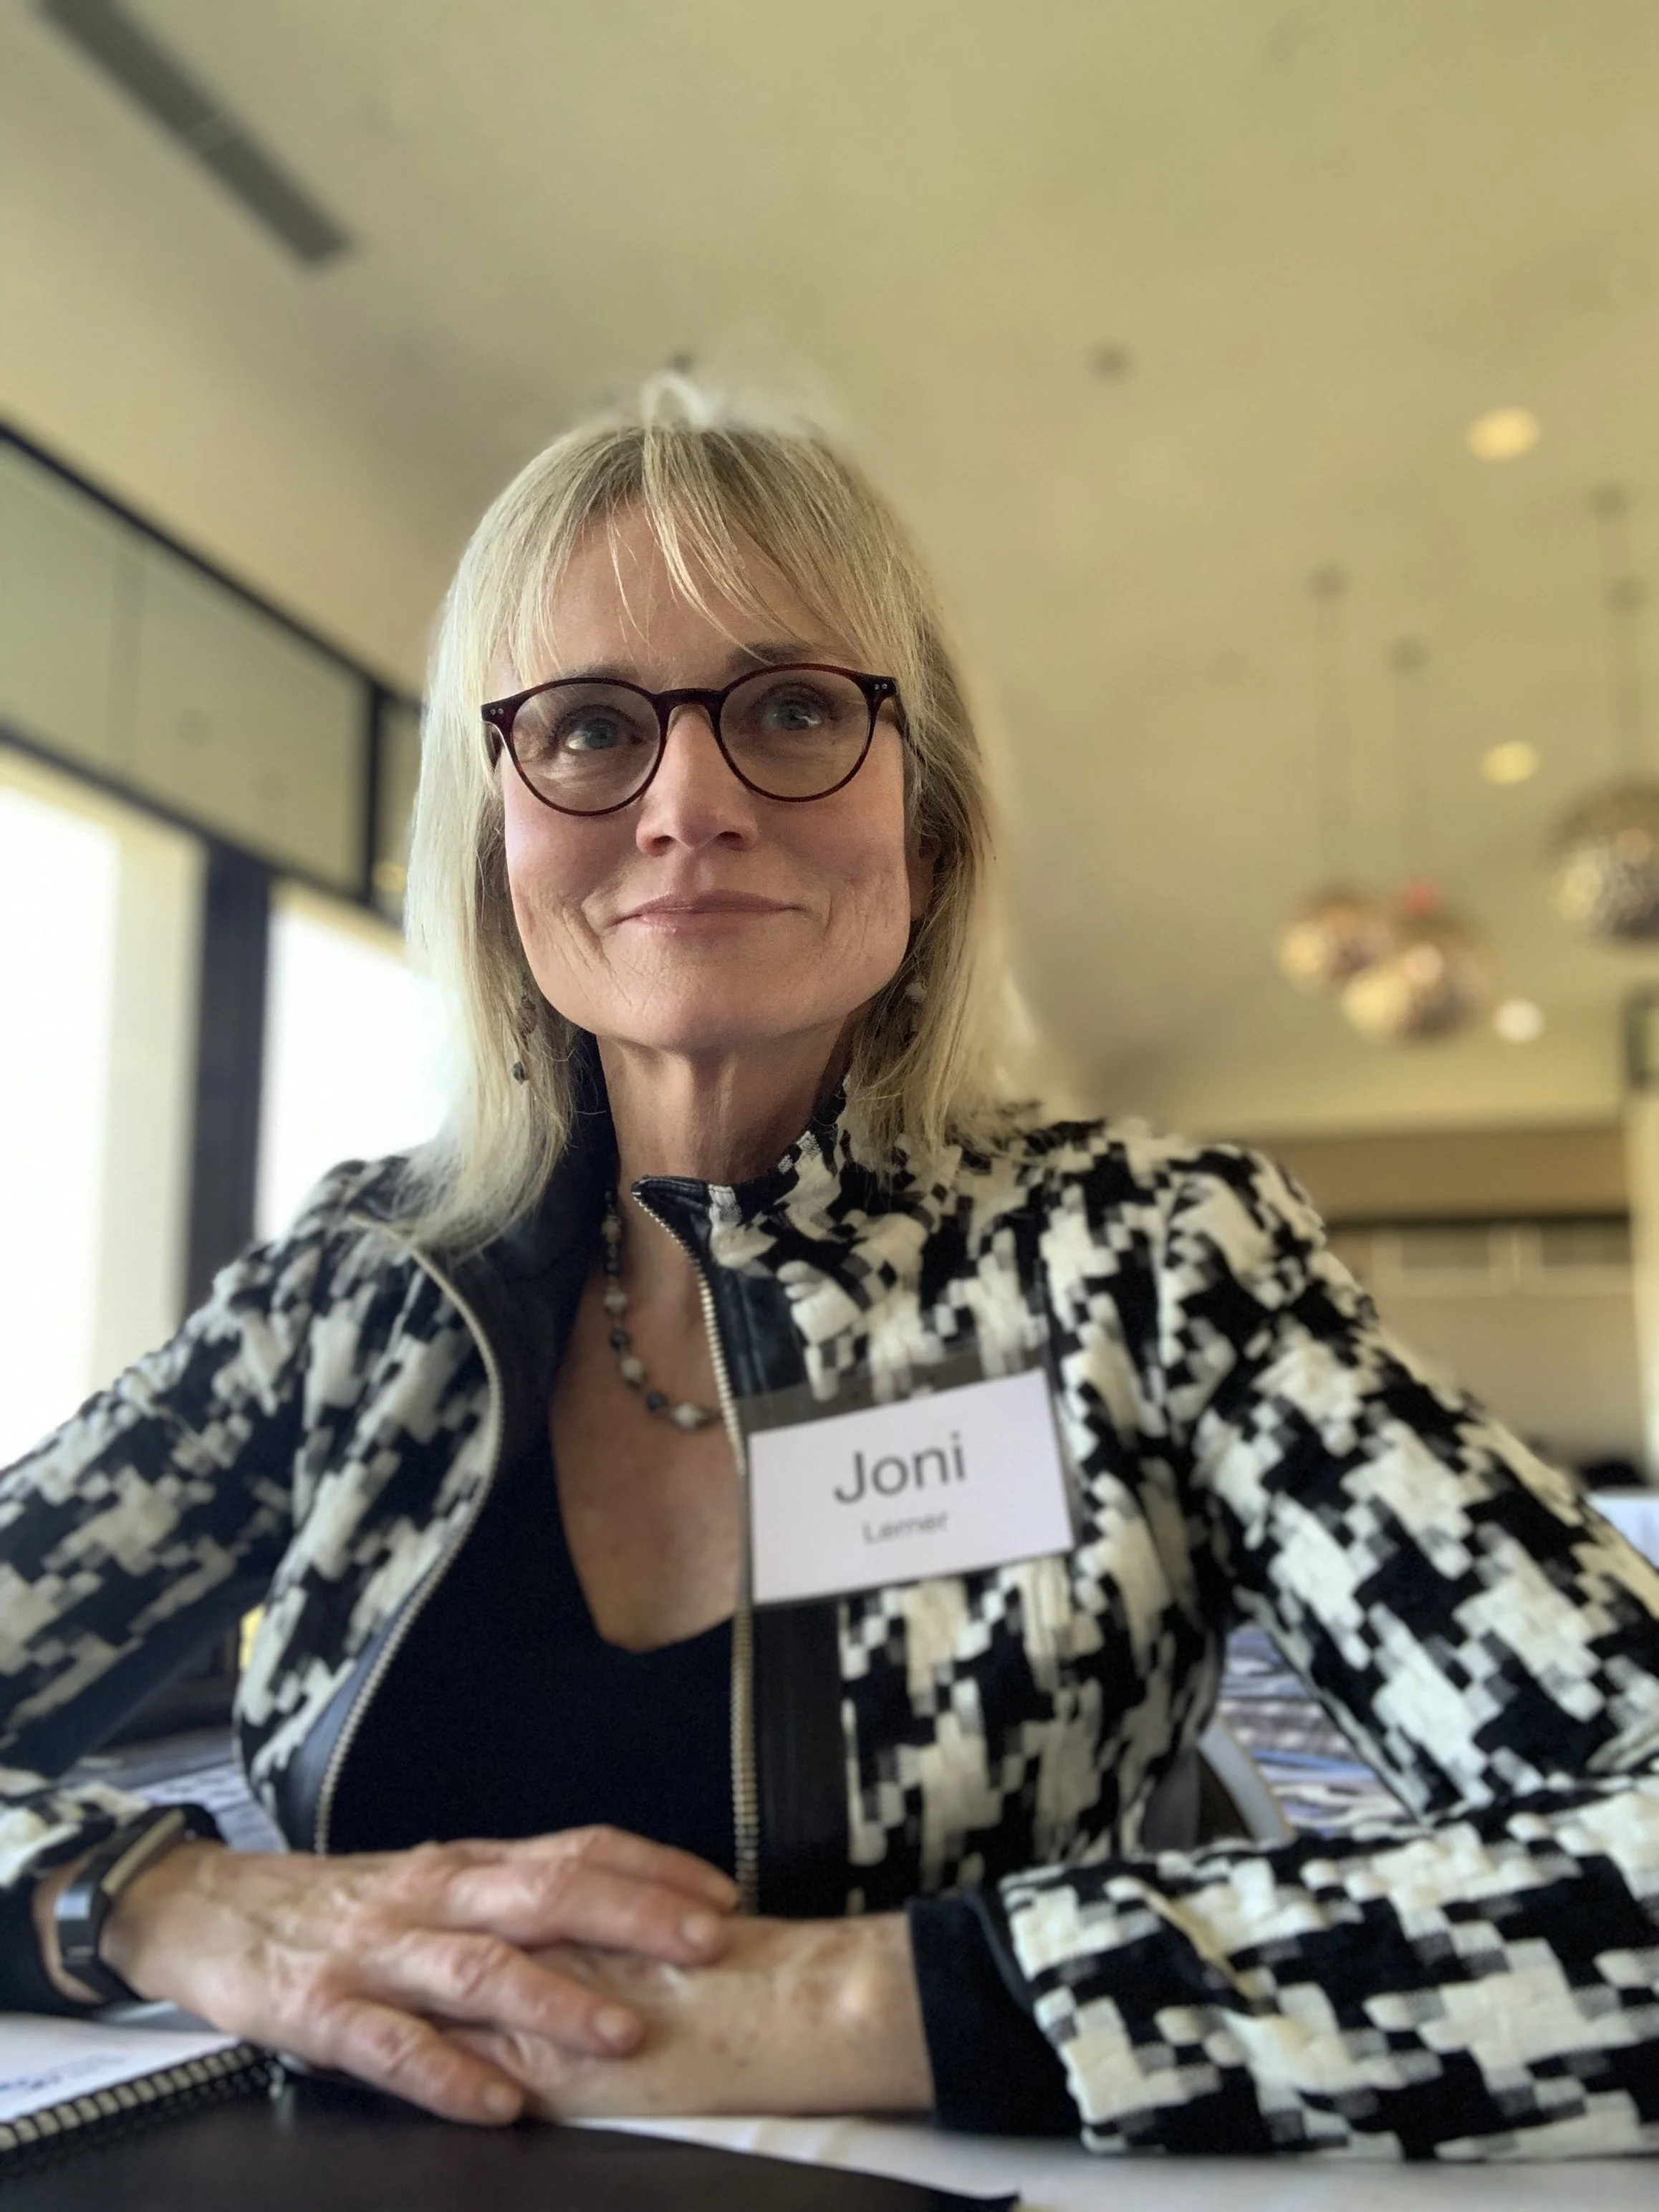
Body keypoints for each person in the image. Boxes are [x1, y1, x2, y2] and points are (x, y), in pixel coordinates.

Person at [4, 381, 1658, 2160]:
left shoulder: (1151, 1265)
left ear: (927, 838)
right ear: (496, 841)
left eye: (793, 708)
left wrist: (844, 2003)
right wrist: (162, 1906)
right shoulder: (355, 1295)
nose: (689, 800)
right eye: (584, 728)